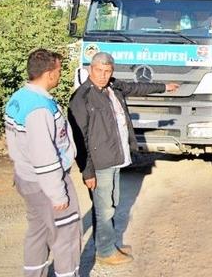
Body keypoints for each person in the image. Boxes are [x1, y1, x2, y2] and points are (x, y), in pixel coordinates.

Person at [68, 52, 179, 266]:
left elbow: (138, 88)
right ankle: (106, 252)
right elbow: (79, 140)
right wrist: (87, 171)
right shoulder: (82, 98)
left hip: (116, 157)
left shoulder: (113, 87)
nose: (103, 75)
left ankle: (107, 244)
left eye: (107, 71)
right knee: (104, 208)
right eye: (99, 70)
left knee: (111, 204)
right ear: (91, 69)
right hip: (100, 163)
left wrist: (164, 87)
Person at [5, 49, 81, 277]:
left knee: (37, 233)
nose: (60, 75)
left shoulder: (19, 97)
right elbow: (44, 155)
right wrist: (58, 194)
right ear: (49, 74)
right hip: (46, 183)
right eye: (58, 71)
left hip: (26, 177)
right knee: (66, 236)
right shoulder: (39, 108)